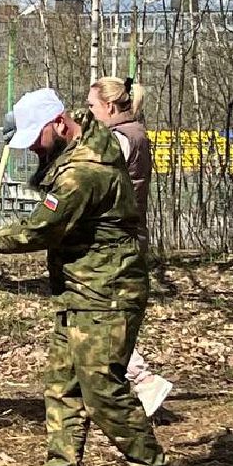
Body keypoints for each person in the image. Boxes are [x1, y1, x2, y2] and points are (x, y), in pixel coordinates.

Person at [0, 87, 173, 466]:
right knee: (63, 386)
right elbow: (53, 167)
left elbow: (42, 229)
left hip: (108, 292)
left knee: (102, 386)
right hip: (78, 290)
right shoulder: (82, 144)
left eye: (37, 141)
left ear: (61, 125)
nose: (33, 152)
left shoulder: (82, 172)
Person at [86, 76, 172, 416]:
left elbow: (97, 181)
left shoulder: (121, 139)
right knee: (105, 314)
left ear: (108, 106)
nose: (89, 113)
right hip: (120, 236)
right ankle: (130, 383)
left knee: (104, 314)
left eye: (92, 106)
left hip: (116, 240)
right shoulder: (130, 133)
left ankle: (142, 380)